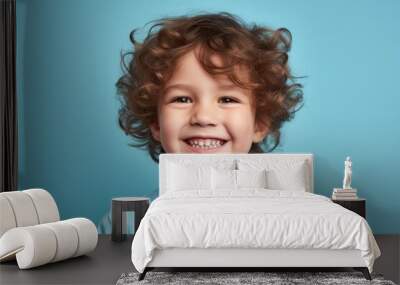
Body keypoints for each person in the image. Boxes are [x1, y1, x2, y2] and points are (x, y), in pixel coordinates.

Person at [116, 12, 303, 162]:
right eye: (182, 99)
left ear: (259, 124)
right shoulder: (147, 210)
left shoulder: (278, 209)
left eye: (227, 99)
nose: (203, 118)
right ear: (156, 123)